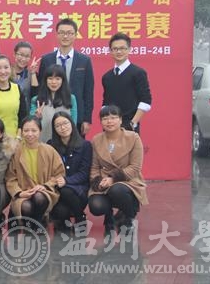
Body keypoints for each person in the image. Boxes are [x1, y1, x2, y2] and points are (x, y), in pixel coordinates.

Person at [88, 105, 148, 237]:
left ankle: (128, 216)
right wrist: (97, 181)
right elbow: (94, 166)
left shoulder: (133, 137)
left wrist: (113, 178)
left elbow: (135, 167)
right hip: (103, 180)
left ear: (120, 120)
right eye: (105, 118)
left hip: (128, 180)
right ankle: (109, 216)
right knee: (96, 206)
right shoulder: (96, 140)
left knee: (117, 190)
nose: (109, 121)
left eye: (113, 117)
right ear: (101, 122)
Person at [37, 18, 94, 136]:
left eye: (69, 33)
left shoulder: (84, 60)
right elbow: (42, 87)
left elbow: (88, 92)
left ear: (75, 35)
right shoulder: (47, 59)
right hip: (49, 113)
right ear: (57, 35)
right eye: (62, 33)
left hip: (75, 114)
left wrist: (87, 119)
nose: (65, 36)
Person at [5, 116, 65, 228]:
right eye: (26, 130)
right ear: (21, 132)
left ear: (40, 131)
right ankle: (33, 223)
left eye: (34, 130)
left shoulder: (49, 150)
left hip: (45, 191)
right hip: (23, 193)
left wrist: (45, 186)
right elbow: (10, 178)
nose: (30, 134)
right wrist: (19, 193)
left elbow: (59, 174)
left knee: (39, 197)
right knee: (26, 207)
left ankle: (38, 223)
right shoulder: (16, 152)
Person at [48, 111, 92, 234]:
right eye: (58, 125)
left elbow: (84, 174)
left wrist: (66, 180)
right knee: (60, 212)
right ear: (54, 129)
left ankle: (80, 218)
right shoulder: (50, 145)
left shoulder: (85, 145)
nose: (63, 128)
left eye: (65, 123)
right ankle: (62, 220)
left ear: (72, 123)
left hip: (78, 189)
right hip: (58, 188)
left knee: (66, 190)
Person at [102, 32, 152, 134]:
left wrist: (133, 123)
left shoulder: (138, 73)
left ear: (129, 49)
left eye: (122, 48)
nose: (119, 51)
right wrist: (106, 121)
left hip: (130, 128)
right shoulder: (106, 77)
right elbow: (106, 102)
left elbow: (146, 101)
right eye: (115, 49)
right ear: (110, 51)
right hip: (110, 127)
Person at [30, 64, 77, 143]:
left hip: (65, 143)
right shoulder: (36, 100)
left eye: (57, 79)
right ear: (45, 80)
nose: (54, 82)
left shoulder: (71, 98)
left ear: (63, 80)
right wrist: (37, 117)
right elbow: (31, 125)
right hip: (42, 143)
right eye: (50, 79)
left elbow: (73, 123)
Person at [12, 41, 39, 113]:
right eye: (21, 55)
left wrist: (33, 73)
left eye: (27, 56)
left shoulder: (31, 74)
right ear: (14, 54)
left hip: (26, 114)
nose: (23, 59)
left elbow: (35, 95)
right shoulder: (6, 72)